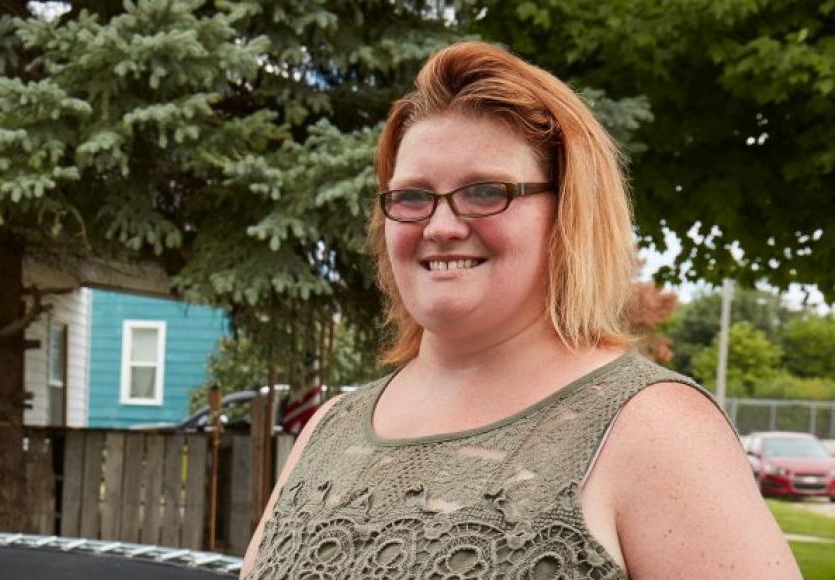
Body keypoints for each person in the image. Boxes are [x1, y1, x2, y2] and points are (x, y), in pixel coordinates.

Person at [243, 42, 799, 579]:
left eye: (485, 192)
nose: (440, 226)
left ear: (567, 214)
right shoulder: (327, 430)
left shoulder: (655, 430)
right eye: (412, 196)